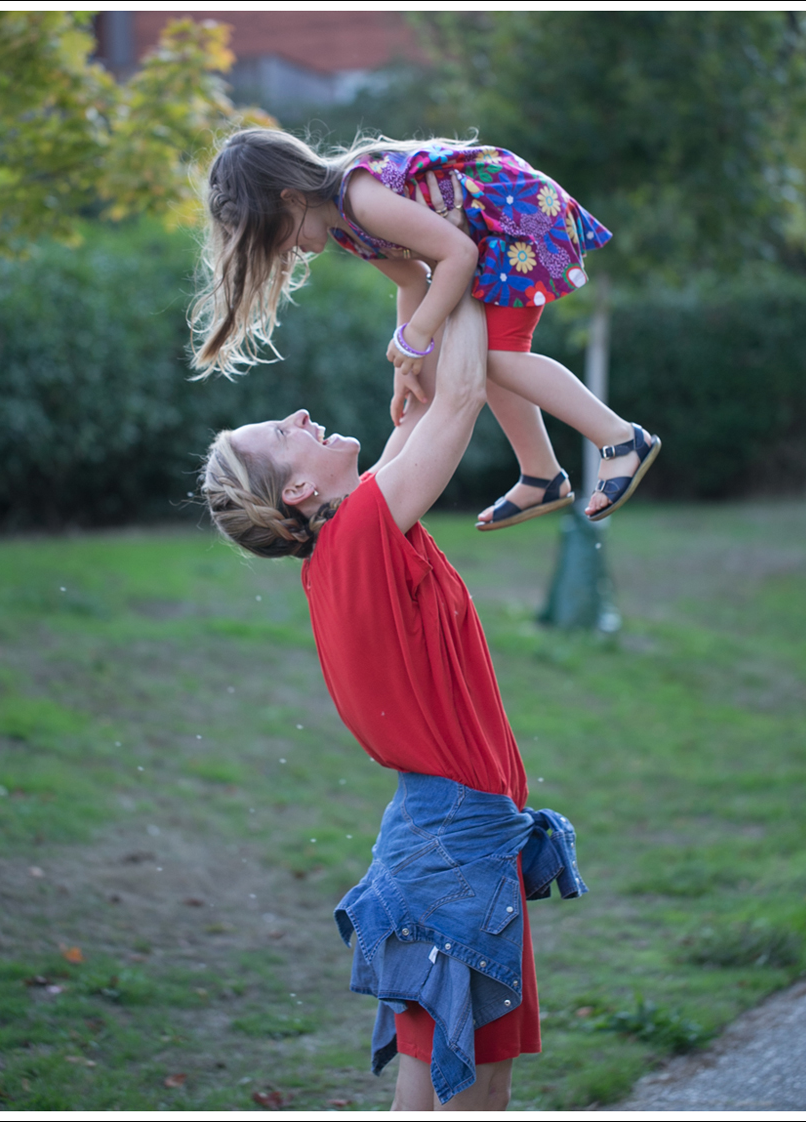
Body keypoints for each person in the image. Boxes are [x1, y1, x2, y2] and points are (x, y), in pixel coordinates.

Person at [200, 287, 588, 1111]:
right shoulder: (363, 532)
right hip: (454, 841)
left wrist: (422, 283)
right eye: (283, 433)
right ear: (299, 493)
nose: (300, 414)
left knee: (483, 1075)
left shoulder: (361, 529)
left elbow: (421, 398)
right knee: (447, 1076)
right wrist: (475, 258)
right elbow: (459, 392)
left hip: (463, 832)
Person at [191, 129, 661, 528]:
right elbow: (412, 278)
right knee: (497, 357)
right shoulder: (344, 225)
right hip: (493, 232)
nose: (288, 253)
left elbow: (459, 255)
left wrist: (417, 337)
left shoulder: (361, 197)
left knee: (498, 359)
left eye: (281, 237)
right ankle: (541, 474)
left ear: (291, 199)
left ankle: (620, 438)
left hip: (518, 220)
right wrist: (407, 360)